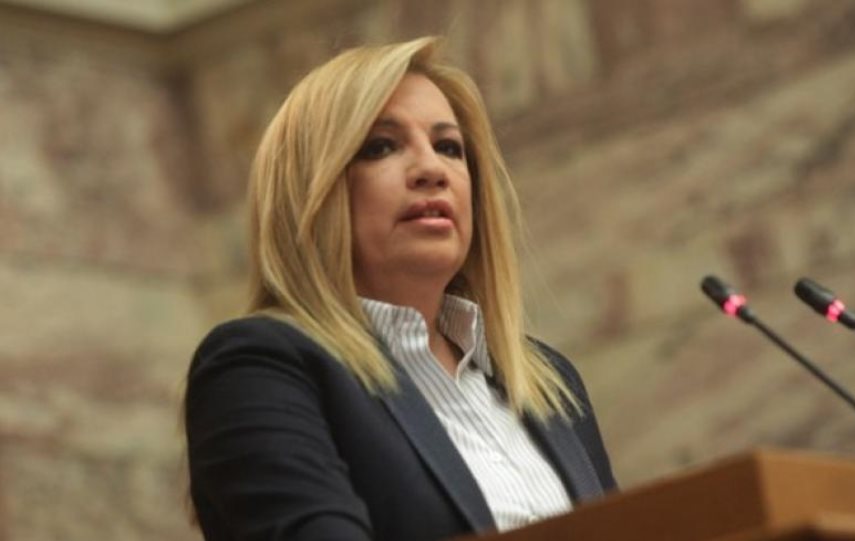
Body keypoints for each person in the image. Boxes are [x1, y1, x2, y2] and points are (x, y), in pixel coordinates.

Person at [184, 36, 616, 541]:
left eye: (449, 147)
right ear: (309, 191)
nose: (432, 169)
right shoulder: (258, 367)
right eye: (381, 146)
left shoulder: (550, 382)